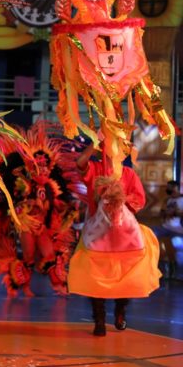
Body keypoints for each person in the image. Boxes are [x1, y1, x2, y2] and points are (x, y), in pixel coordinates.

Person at [68, 144, 161, 336]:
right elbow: (79, 162)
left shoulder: (128, 173)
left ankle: (120, 311)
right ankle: (99, 319)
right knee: (95, 276)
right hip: (98, 230)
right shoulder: (95, 169)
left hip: (122, 230)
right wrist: (95, 143)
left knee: (125, 274)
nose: (113, 151)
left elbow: (139, 199)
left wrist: (120, 200)